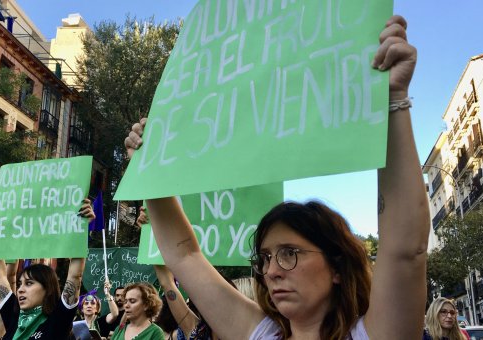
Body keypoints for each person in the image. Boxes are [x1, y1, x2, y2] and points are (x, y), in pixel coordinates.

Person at [124, 14, 428, 340]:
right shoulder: (261, 334)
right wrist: (150, 171)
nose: (270, 271)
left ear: (337, 267)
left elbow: (405, 250)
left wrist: (394, 99)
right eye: (266, 258)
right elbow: (184, 254)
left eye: (288, 254)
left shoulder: (374, 335)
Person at [0, 199, 94, 340]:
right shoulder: (13, 317)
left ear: (48, 288)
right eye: (19, 284)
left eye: (29, 283)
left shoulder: (58, 320)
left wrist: (82, 227)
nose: (20, 289)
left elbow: (75, 276)